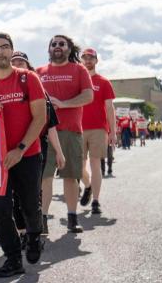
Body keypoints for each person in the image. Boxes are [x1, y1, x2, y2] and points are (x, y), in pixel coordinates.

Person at [0, 33, 46, 277]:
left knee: (29, 206)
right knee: (2, 210)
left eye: (5, 47)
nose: (0, 51)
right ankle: (13, 258)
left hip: (27, 155)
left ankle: (35, 236)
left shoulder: (29, 79)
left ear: (12, 51)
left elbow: (40, 118)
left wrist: (20, 148)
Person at [38, 34, 94, 234]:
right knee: (44, 177)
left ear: (69, 49)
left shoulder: (78, 69)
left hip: (70, 131)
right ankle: (41, 220)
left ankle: (72, 217)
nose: (57, 46)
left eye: (62, 44)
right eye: (53, 44)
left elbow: (89, 95)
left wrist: (63, 104)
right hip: (45, 133)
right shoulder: (39, 72)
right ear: (49, 49)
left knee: (71, 177)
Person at [11, 51, 65, 237]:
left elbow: (50, 125)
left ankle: (36, 225)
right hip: (9, 149)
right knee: (14, 194)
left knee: (33, 191)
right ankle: (23, 231)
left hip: (36, 148)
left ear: (29, 68)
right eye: (14, 61)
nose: (17, 64)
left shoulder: (40, 92)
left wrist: (59, 151)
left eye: (21, 62)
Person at [78, 48, 116, 215]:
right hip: (77, 128)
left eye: (91, 58)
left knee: (95, 164)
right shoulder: (77, 81)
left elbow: (109, 108)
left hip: (99, 129)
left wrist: (113, 132)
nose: (87, 61)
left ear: (96, 60)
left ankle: (96, 201)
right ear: (81, 60)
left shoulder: (103, 82)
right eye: (85, 58)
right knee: (78, 167)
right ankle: (88, 186)